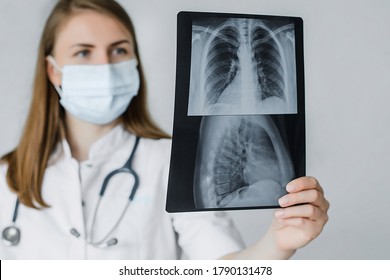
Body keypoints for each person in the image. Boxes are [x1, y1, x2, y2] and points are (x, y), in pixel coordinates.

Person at [0, 0, 329, 259]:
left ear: (135, 61)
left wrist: (279, 243)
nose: (105, 66)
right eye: (83, 52)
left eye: (119, 50)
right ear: (53, 71)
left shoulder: (169, 161)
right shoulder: (6, 177)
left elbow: (224, 266)